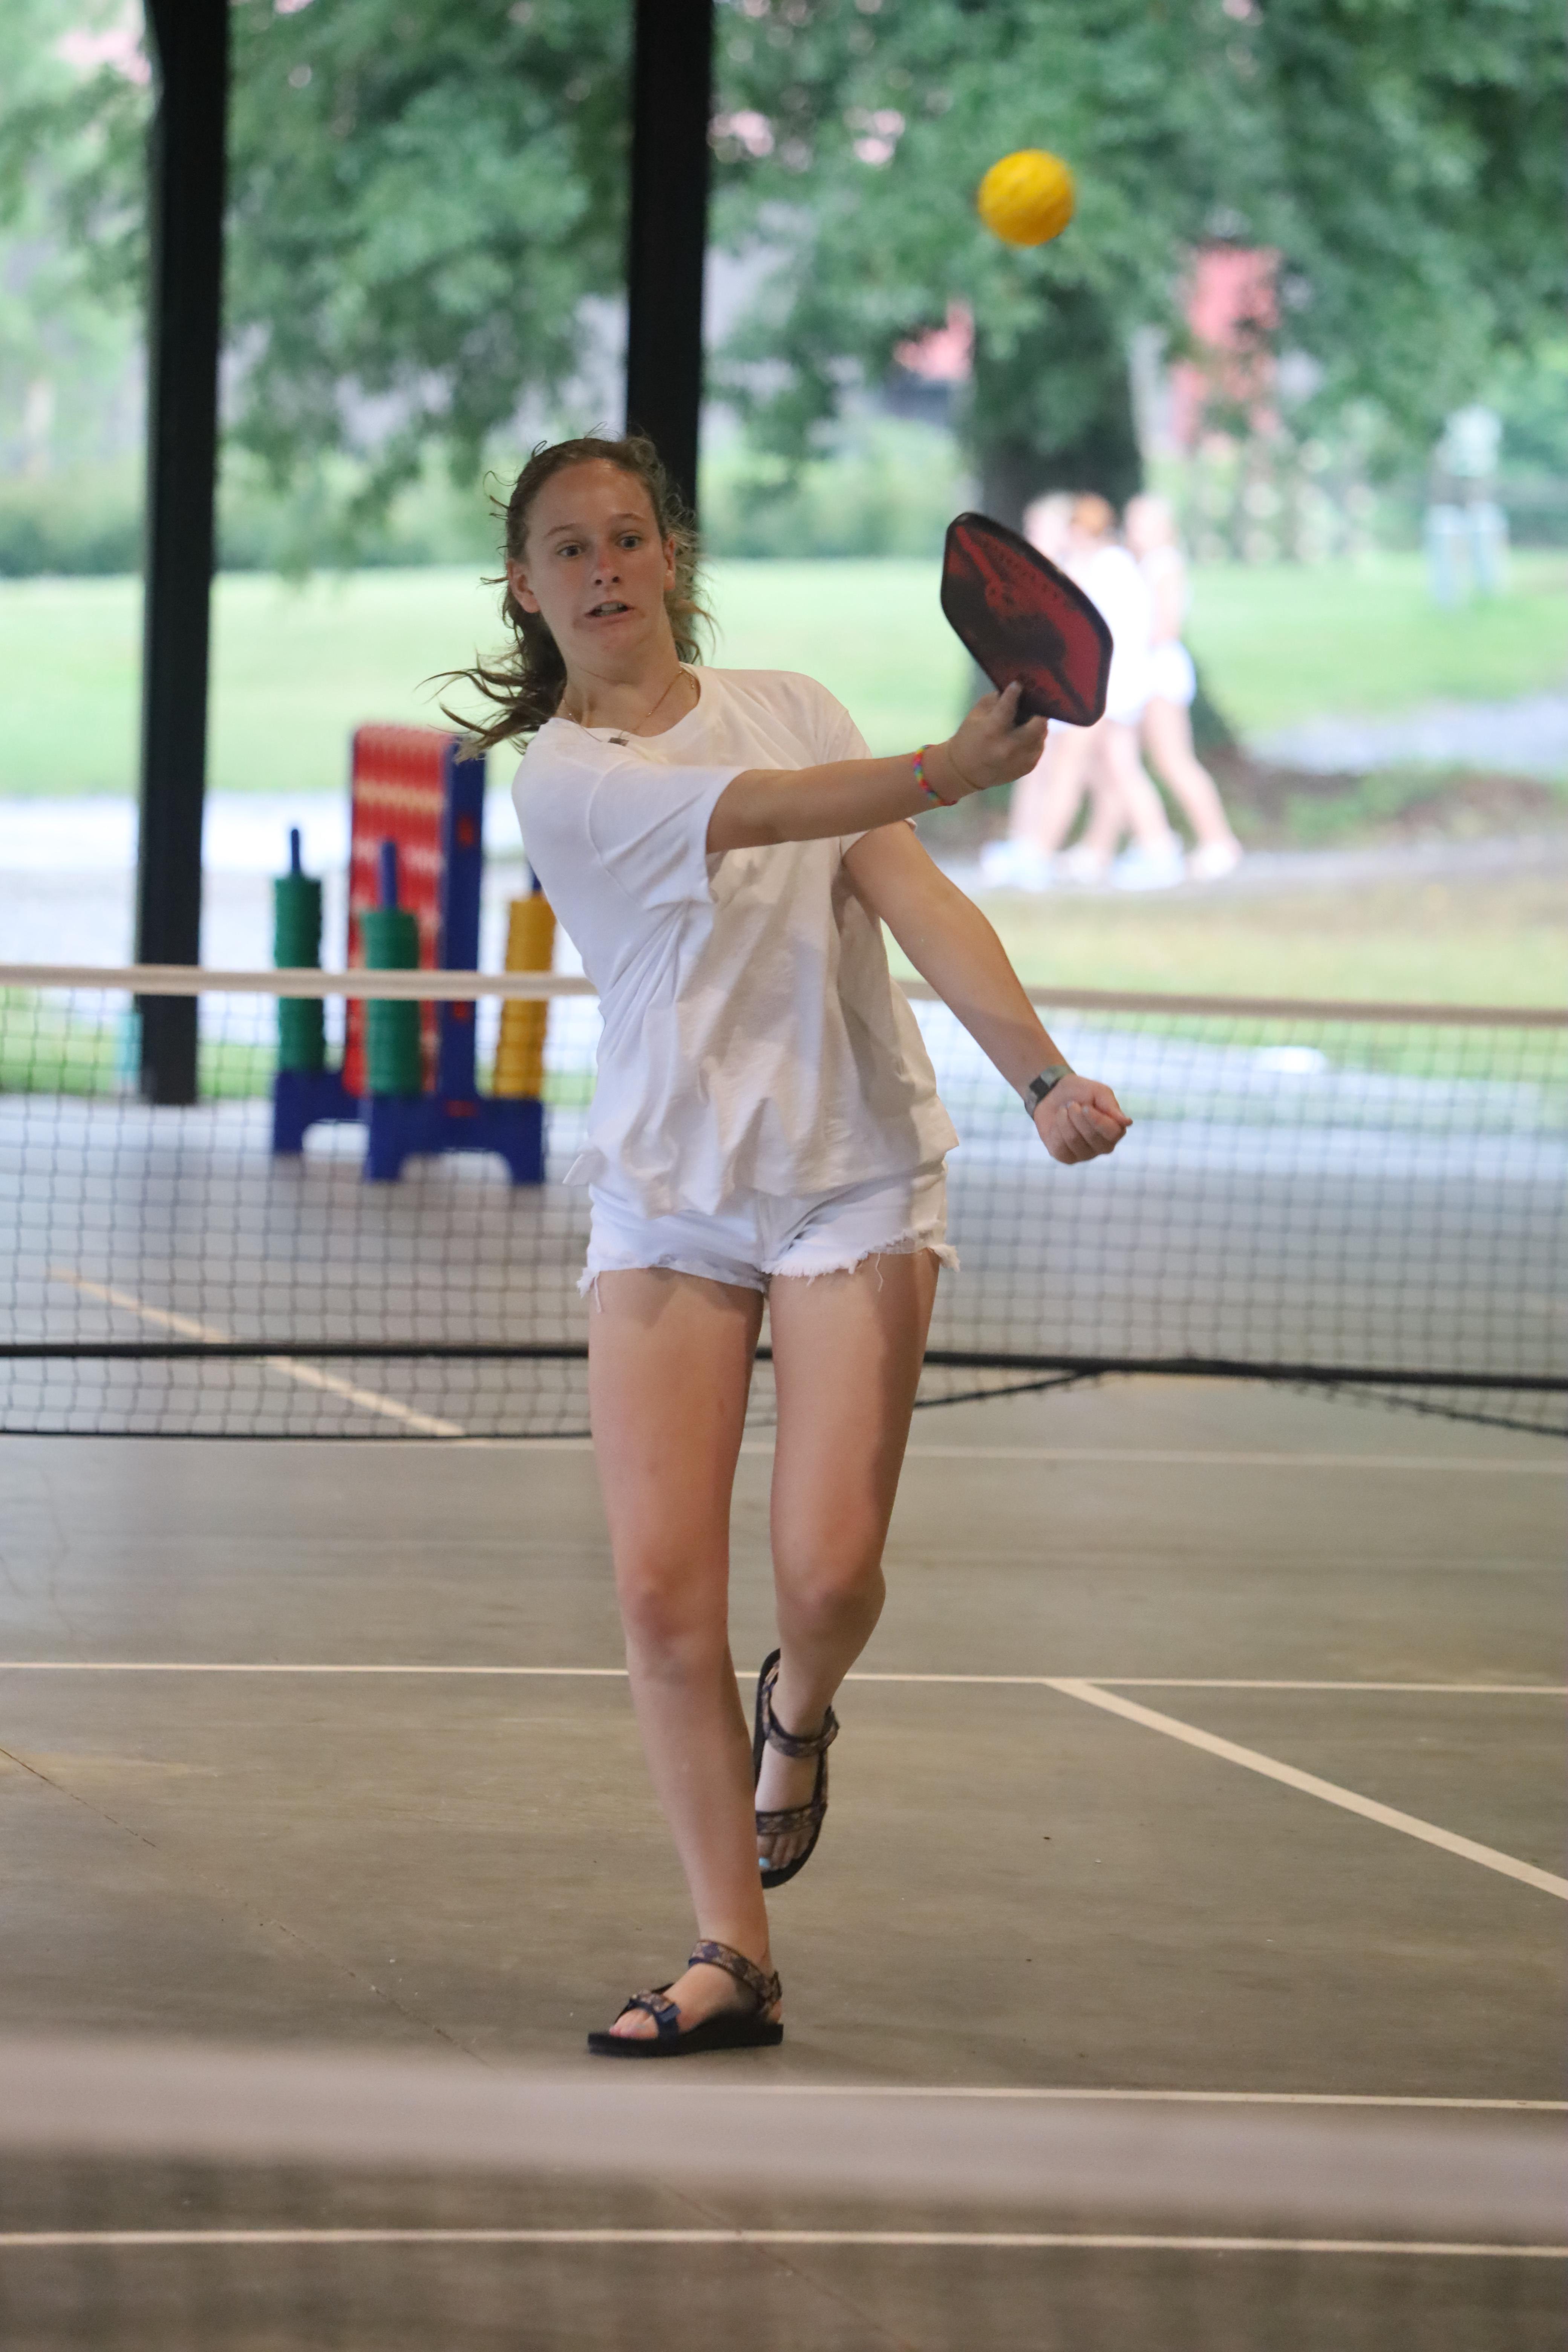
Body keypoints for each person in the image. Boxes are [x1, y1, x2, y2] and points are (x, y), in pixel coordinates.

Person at [444, 435, 1131, 2056]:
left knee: (825, 1572)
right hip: (669, 1193)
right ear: (526, 590)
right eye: (568, 549)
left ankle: (801, 1706)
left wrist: (1040, 1076)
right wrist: (944, 767)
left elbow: (920, 903)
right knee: (657, 1593)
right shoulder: (565, 778)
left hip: (852, 1176)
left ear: (669, 556)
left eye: (627, 537)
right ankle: (730, 1956)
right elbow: (758, 817)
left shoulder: (799, 706)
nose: (604, 569)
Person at [981, 495, 1184, 891]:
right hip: (1109, 688)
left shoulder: (1105, 568)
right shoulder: (1109, 565)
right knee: (1117, 771)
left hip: (1105, 690)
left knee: (1072, 770)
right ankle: (1148, 848)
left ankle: (1041, 855)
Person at [1122, 495, 1243, 880]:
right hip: (1145, 672)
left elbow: (1166, 626)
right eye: (1133, 523)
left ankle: (1218, 842)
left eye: (1144, 523)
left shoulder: (1164, 564)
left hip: (1159, 672)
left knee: (1174, 760)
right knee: (1148, 761)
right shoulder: (1143, 565)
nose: (1136, 531)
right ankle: (1153, 840)